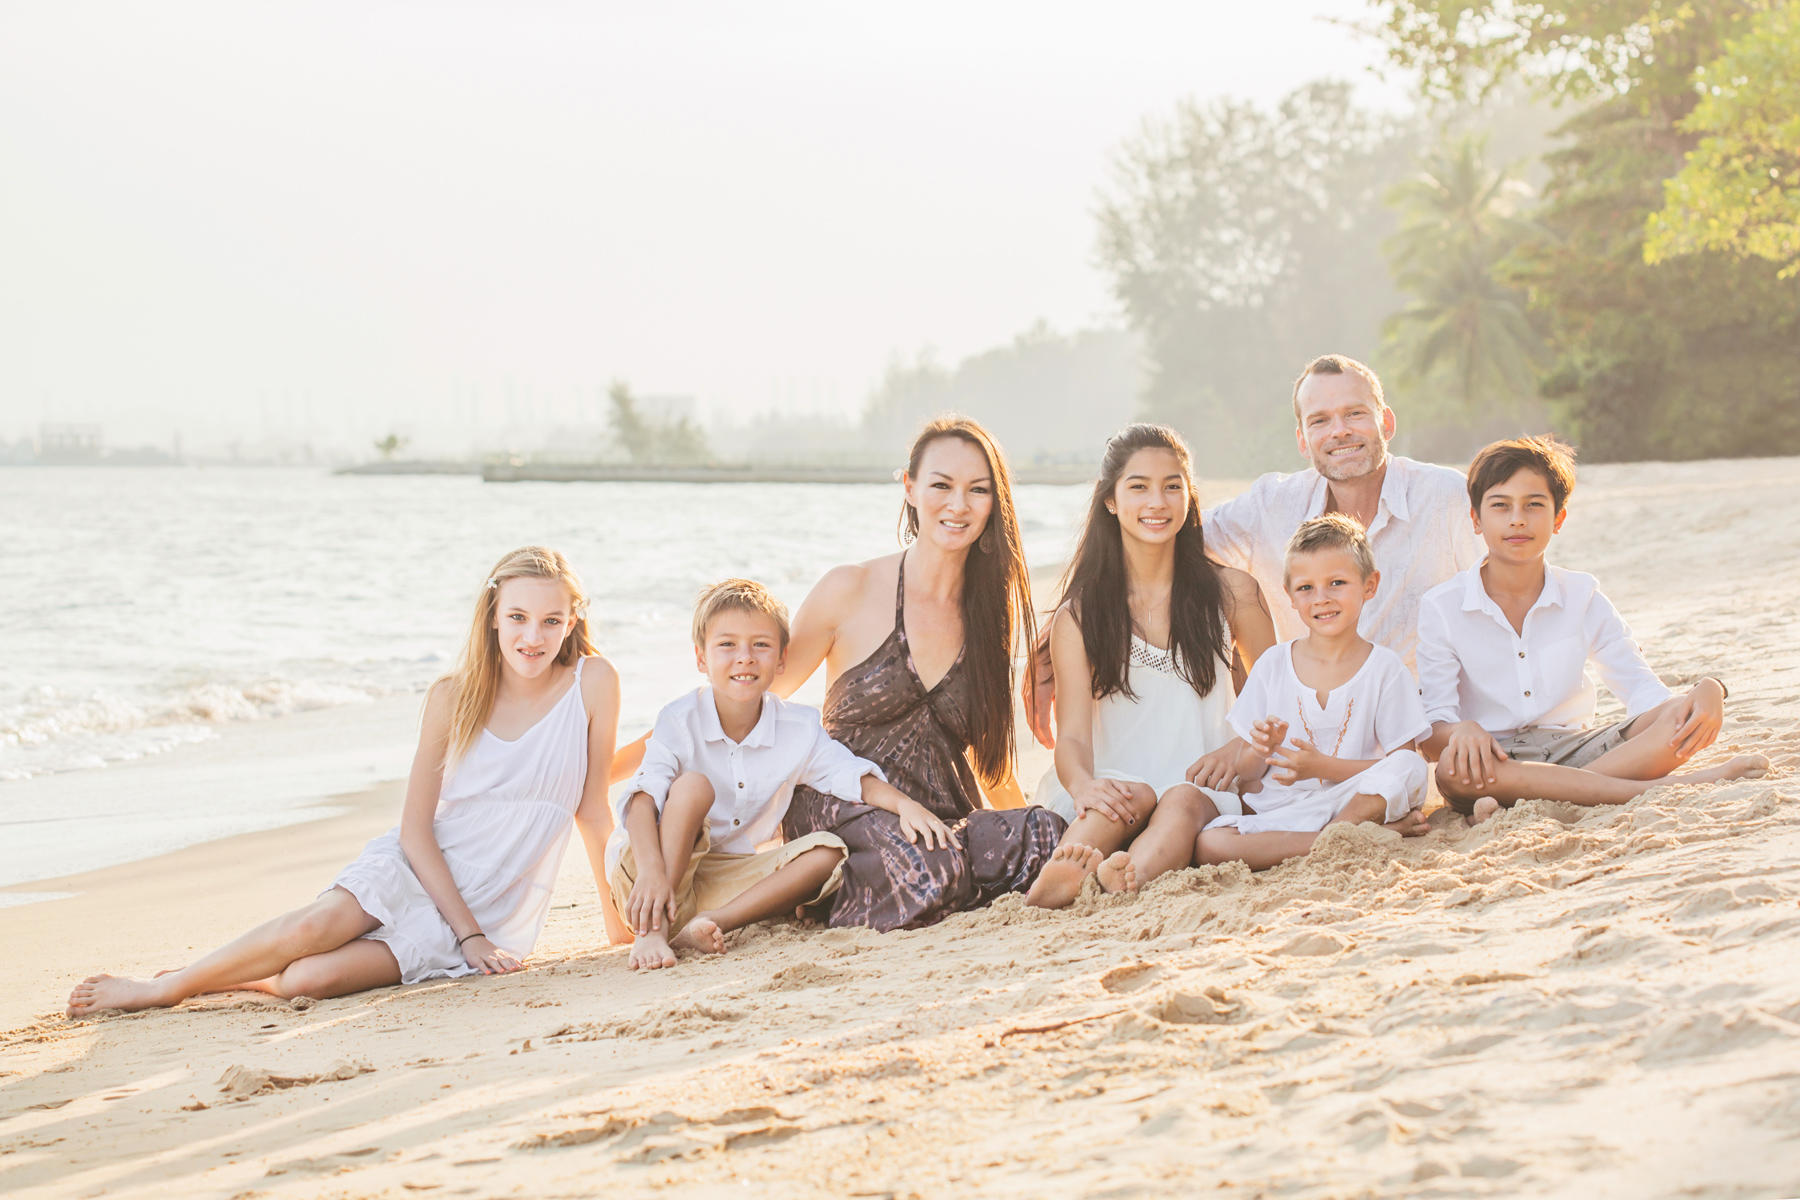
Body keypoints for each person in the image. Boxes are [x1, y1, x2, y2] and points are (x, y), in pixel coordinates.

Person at [67, 547, 622, 1016]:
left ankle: (240, 977)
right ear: (493, 616)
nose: (533, 636)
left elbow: (592, 809)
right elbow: (415, 830)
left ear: (571, 622)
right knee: (318, 925)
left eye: (551, 620)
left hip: (494, 902)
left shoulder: (592, 683)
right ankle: (166, 987)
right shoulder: (453, 696)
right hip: (419, 867)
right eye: (518, 617)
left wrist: (618, 923)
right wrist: (468, 935)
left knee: (312, 980)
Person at [1024, 354, 1479, 748]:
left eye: (1355, 414)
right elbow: (1160, 538)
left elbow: (1497, 595)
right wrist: (1054, 647)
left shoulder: (1445, 497)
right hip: (1304, 734)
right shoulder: (1269, 505)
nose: (1339, 431)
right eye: (1320, 420)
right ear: (1302, 439)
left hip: (1414, 731)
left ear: (1387, 422)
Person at [773, 415, 1067, 930]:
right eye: (941, 485)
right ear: (909, 487)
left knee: (1049, 833)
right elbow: (746, 704)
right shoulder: (851, 588)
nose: (958, 505)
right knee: (932, 866)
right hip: (843, 806)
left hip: (938, 821)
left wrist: (1025, 825)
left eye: (978, 490)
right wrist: (619, 774)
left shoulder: (988, 617)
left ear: (994, 503)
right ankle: (854, 890)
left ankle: (946, 883)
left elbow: (990, 765)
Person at [1418, 436, 1769, 820]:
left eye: (1534, 505)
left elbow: (1643, 691)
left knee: (1684, 715)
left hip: (1578, 747)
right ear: (1476, 519)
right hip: (1495, 761)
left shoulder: (1582, 595)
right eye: (1500, 506)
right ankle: (1656, 788)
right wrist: (1459, 731)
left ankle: (1537, 800)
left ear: (1558, 519)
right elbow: (1435, 733)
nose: (1517, 518)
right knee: (1452, 770)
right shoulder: (1442, 607)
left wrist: (1710, 688)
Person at [608, 579, 952, 969]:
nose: (745, 657)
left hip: (719, 878)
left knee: (827, 851)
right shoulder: (679, 719)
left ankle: (710, 924)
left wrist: (905, 805)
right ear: (701, 658)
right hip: (645, 875)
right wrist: (653, 873)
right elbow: (642, 799)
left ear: (782, 658)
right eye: (727, 645)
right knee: (692, 788)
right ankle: (652, 934)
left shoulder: (798, 727)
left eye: (761, 645)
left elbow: (849, 775)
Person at [1023, 424, 1276, 908]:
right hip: (1114, 775)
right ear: (1111, 501)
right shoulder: (1079, 616)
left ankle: (1126, 877)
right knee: (1120, 799)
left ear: (1189, 496)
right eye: (1138, 486)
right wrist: (1083, 786)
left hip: (1203, 780)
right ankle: (1057, 883)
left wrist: (1238, 751)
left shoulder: (1233, 594)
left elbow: (1277, 699)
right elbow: (1072, 735)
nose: (1157, 501)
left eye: (1172, 486)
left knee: (1180, 803)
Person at [1199, 515, 1433, 871]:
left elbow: (1399, 765)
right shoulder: (1273, 664)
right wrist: (1261, 747)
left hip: (1350, 801)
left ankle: (1341, 831)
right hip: (1285, 809)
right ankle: (1351, 838)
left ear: (1369, 585)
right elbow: (1247, 771)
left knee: (1411, 766)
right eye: (1306, 588)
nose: (1321, 599)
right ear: (1290, 596)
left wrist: (1323, 767)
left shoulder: (1385, 669)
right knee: (1210, 844)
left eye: (1336, 583)